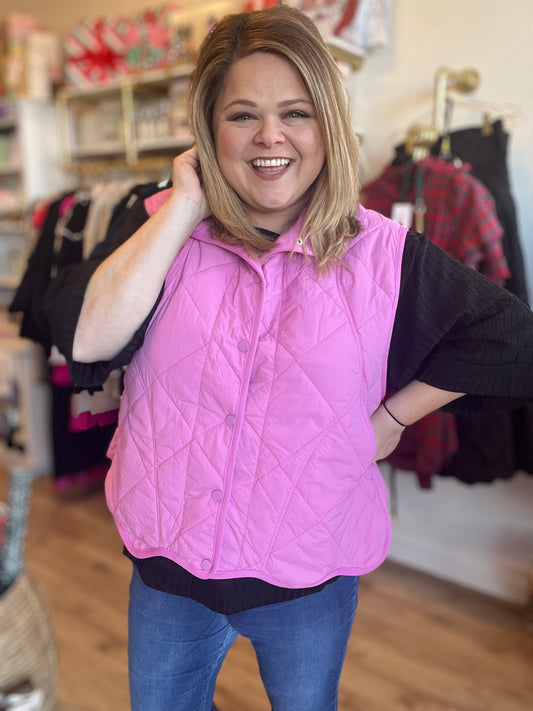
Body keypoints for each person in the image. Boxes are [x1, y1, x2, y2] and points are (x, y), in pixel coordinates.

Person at [43, 5, 533, 711]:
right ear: (208, 130)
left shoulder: (383, 254)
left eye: (295, 112)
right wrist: (182, 208)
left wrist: (395, 415)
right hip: (166, 563)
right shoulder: (154, 226)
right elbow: (87, 342)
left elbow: (510, 336)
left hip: (306, 573)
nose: (269, 136)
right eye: (241, 114)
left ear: (326, 124)